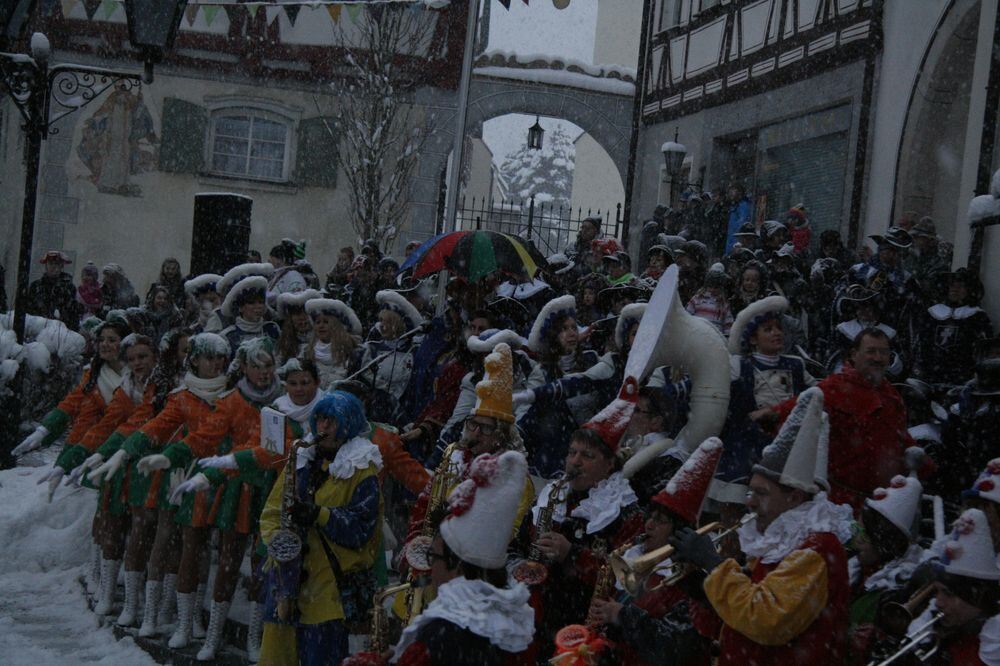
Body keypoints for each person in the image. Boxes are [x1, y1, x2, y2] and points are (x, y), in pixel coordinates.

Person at [671, 387, 854, 666]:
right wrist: (702, 588)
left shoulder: (816, 549)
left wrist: (715, 564)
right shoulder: (781, 538)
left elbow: (765, 618)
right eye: (751, 491)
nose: (750, 502)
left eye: (761, 493)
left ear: (794, 497)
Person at [90, 332, 233, 648]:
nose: (217, 364)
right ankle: (162, 615)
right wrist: (123, 452)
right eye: (210, 357)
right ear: (194, 360)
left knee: (210, 549)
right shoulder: (181, 396)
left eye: (221, 358)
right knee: (179, 542)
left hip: (226, 475)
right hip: (186, 474)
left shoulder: (233, 395)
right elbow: (154, 426)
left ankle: (191, 615)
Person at [156, 337, 285, 660]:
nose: (263, 372)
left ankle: (255, 638)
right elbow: (206, 437)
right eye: (256, 365)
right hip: (235, 487)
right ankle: (210, 635)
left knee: (262, 566)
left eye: (268, 365)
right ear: (243, 367)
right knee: (227, 561)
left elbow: (279, 450)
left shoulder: (284, 401)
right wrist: (175, 455)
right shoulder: (231, 400)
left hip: (271, 489)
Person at [259, 391, 383, 666]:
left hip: (328, 591)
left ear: (348, 424)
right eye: (320, 420)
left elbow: (361, 529)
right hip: (287, 583)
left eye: (331, 421)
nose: (322, 428)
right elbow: (271, 513)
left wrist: (319, 514)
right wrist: (280, 543)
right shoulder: (301, 462)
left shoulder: (361, 470)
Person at [587, 438, 725, 666]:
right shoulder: (635, 559)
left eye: (660, 521)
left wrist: (622, 615)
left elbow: (671, 649)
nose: (648, 525)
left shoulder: (692, 585)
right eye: (649, 517)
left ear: (679, 534)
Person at [390, 451, 535, 665]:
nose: (431, 569)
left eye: (433, 557)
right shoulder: (513, 625)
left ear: (457, 566)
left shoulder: (441, 634)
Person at [765, 328, 915, 512]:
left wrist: (921, 462)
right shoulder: (833, 388)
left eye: (883, 353)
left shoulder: (892, 396)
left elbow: (900, 437)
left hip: (883, 505)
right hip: (840, 504)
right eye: (871, 351)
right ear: (854, 354)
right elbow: (788, 417)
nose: (878, 358)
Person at [531, 423, 645, 659]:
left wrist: (572, 555)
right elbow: (518, 545)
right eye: (572, 453)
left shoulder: (626, 512)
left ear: (610, 463)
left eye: (587, 455)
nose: (575, 462)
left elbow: (627, 580)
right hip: (540, 619)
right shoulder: (555, 495)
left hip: (587, 632)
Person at [716, 296, 816, 506]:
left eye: (778, 328)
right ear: (753, 339)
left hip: (788, 447)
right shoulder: (738, 366)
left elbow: (816, 397)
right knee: (736, 506)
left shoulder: (796, 365)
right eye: (768, 329)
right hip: (745, 447)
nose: (777, 333)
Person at [516, 295, 617, 478]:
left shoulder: (592, 358)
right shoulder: (543, 371)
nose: (571, 333)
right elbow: (526, 412)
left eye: (573, 327)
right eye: (564, 329)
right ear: (553, 336)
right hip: (557, 448)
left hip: (594, 442)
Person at [847, 474, 926, 664]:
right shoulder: (856, 564)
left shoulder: (898, 592)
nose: (856, 540)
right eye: (856, 529)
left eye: (864, 535)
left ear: (884, 543)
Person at [913, 268, 993, 386]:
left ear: (969, 290)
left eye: (960, 286)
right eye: (952, 285)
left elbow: (983, 352)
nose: (955, 289)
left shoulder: (977, 316)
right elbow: (921, 344)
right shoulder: (932, 313)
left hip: (962, 378)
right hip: (930, 377)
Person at [303, 298, 362, 389]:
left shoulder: (353, 353)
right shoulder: (306, 352)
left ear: (337, 326)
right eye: (317, 322)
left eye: (326, 322)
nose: (321, 326)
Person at [219, 274, 281, 355]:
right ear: (240, 307)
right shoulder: (228, 336)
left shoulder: (272, 329)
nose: (258, 306)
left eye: (261, 302)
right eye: (251, 303)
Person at [26, 250, 79, 329]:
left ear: (61, 267)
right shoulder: (35, 286)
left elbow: (72, 315)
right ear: (46, 266)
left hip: (60, 332)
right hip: (37, 330)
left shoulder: (69, 288)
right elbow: (29, 311)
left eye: (57, 264)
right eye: (51, 263)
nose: (54, 267)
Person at [686, 262, 734, 334]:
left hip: (714, 339)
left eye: (716, 287)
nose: (712, 289)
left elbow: (728, 324)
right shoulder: (697, 299)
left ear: (721, 287)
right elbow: (687, 316)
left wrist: (726, 337)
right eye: (710, 286)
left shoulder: (723, 304)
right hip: (696, 335)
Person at [275, 289, 320, 363]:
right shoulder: (283, 344)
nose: (302, 317)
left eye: (306, 312)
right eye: (297, 313)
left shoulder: (326, 340)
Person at [267, 239, 307, 309]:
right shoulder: (278, 276)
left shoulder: (294, 278)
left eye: (271, 261)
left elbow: (295, 304)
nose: (269, 264)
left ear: (281, 260)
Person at [724, 183, 753, 255]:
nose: (730, 193)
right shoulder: (734, 206)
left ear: (740, 192)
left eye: (733, 190)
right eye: (730, 191)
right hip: (731, 245)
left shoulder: (743, 206)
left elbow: (741, 226)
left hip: (736, 246)